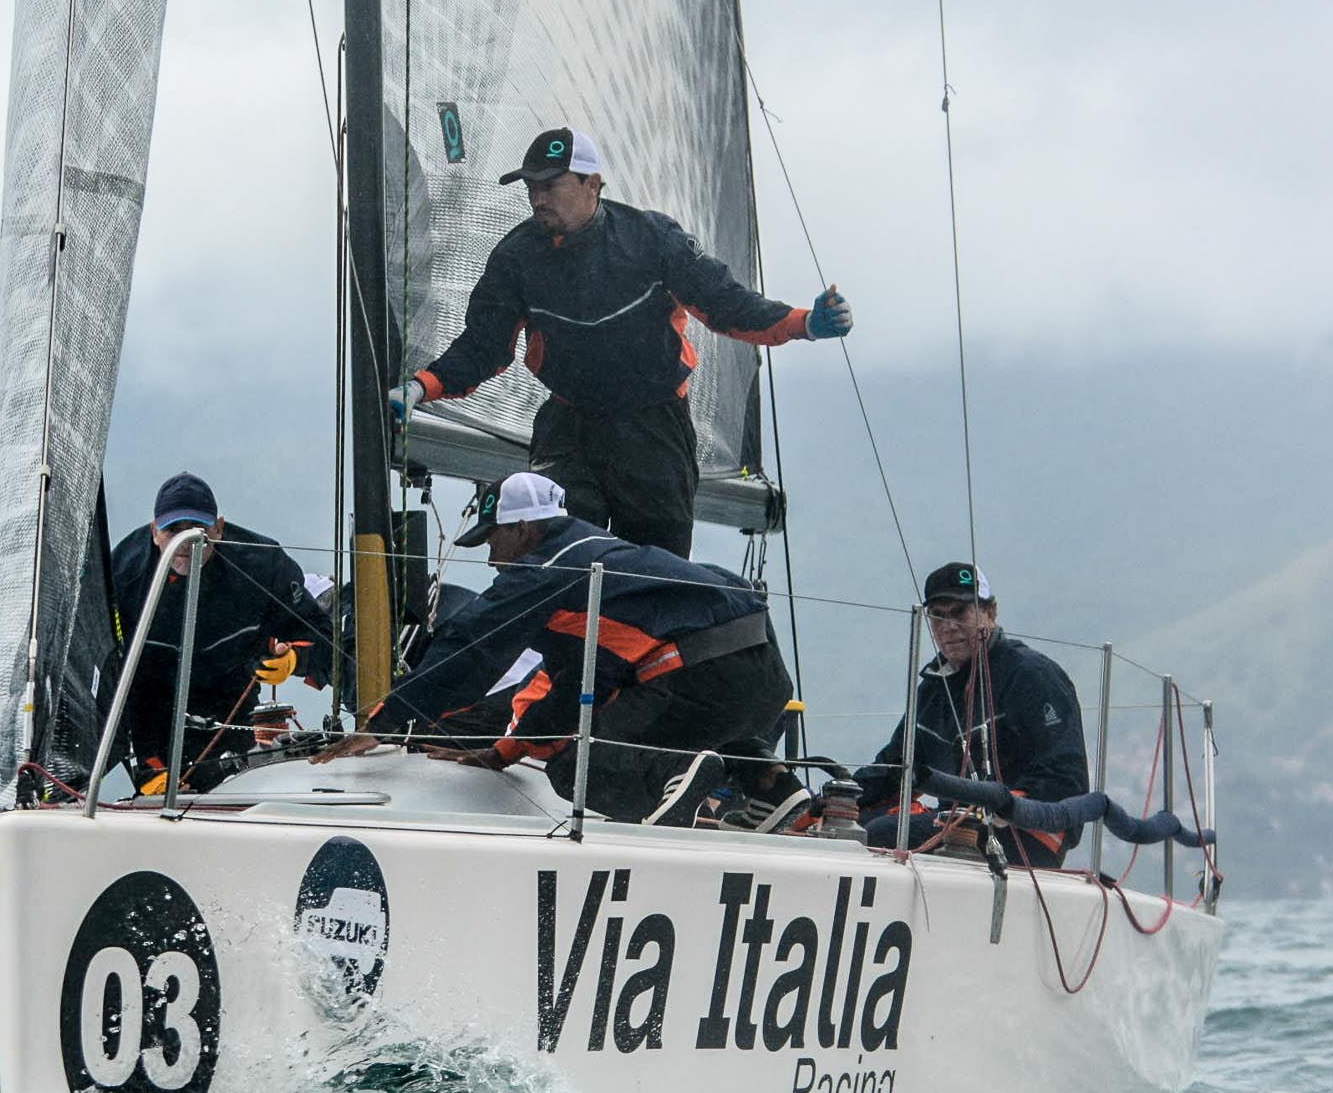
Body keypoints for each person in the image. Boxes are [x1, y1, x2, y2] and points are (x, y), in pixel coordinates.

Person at [387, 127, 853, 558]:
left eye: (550, 185)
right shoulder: (517, 257)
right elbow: (484, 346)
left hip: (654, 428)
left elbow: (726, 305)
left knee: (651, 573)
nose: (537, 198)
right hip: (571, 427)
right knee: (556, 553)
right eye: (531, 187)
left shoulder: (651, 239)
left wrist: (805, 322)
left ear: (593, 184)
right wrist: (420, 386)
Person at [320, 472, 793, 825]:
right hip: (762, 678)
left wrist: (385, 724)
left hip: (700, 675)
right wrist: (506, 751)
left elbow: (472, 644)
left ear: (524, 529)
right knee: (621, 704)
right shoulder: (601, 554)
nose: (490, 555)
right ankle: (768, 782)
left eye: (493, 537)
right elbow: (583, 681)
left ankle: (675, 772)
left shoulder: (546, 569)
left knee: (572, 767)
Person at [107, 472, 336, 793]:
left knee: (223, 789)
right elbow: (107, 672)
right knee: (160, 794)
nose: (186, 544)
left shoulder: (264, 564)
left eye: (197, 531)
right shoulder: (123, 573)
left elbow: (321, 634)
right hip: (151, 705)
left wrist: (294, 659)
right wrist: (149, 766)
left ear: (219, 527)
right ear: (154, 532)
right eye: (173, 531)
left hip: (230, 700)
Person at [861, 561, 1088, 866]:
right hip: (958, 826)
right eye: (938, 616)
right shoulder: (933, 691)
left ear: (990, 612)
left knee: (883, 833)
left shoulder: (1032, 675)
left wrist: (1005, 806)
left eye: (960, 613)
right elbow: (893, 770)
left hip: (1029, 834)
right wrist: (833, 801)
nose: (948, 626)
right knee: (853, 830)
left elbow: (1067, 778)